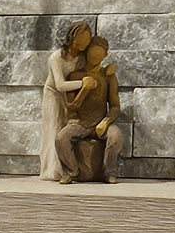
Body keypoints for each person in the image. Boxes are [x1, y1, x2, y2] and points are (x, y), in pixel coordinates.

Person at [55, 35, 124, 184]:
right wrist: (84, 88)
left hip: (100, 122)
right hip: (81, 122)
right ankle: (71, 171)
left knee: (116, 136)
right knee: (61, 138)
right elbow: (71, 105)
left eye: (99, 55)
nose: (95, 57)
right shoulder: (75, 75)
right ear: (86, 52)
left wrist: (106, 122)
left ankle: (109, 171)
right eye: (92, 53)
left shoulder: (108, 76)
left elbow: (115, 106)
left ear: (105, 56)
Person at [38, 21, 92, 183]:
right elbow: (60, 85)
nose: (83, 44)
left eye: (86, 40)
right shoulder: (57, 58)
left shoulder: (83, 57)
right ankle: (52, 169)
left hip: (71, 96)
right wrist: (84, 83)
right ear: (71, 37)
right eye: (80, 39)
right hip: (54, 94)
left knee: (65, 130)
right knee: (53, 129)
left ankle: (68, 167)